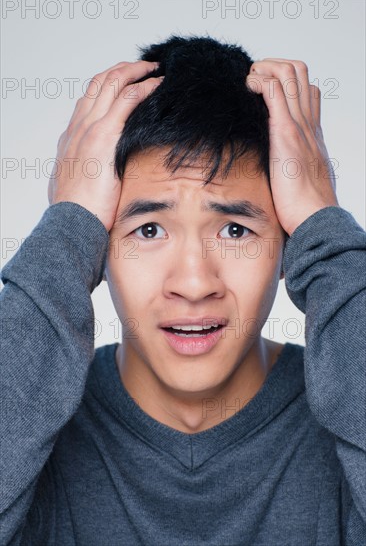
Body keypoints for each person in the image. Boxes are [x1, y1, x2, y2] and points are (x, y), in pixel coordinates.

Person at [1, 34, 365, 545]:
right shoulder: (37, 427)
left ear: (289, 243)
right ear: (96, 247)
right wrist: (67, 226)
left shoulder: (346, 414)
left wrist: (323, 226)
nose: (194, 284)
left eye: (235, 230)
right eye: (148, 230)